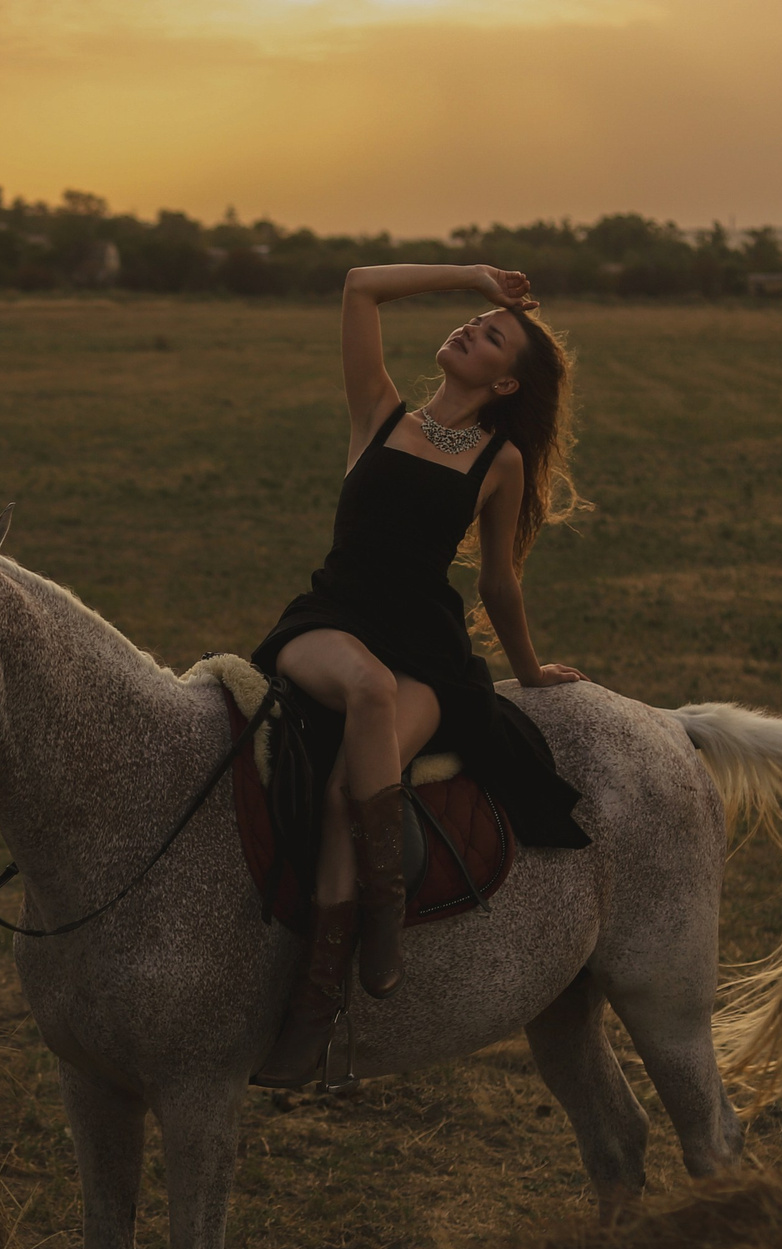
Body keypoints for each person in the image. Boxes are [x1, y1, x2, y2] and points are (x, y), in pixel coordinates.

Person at [248, 262, 594, 1088]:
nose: (471, 326)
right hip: (327, 625)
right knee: (365, 689)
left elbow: (498, 583)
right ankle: (384, 909)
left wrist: (529, 669)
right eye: (473, 319)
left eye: (491, 333)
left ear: (505, 380)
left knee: (346, 787)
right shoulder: (380, 412)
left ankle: (317, 1000)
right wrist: (470, 274)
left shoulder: (498, 461)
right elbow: (360, 285)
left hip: (427, 655)